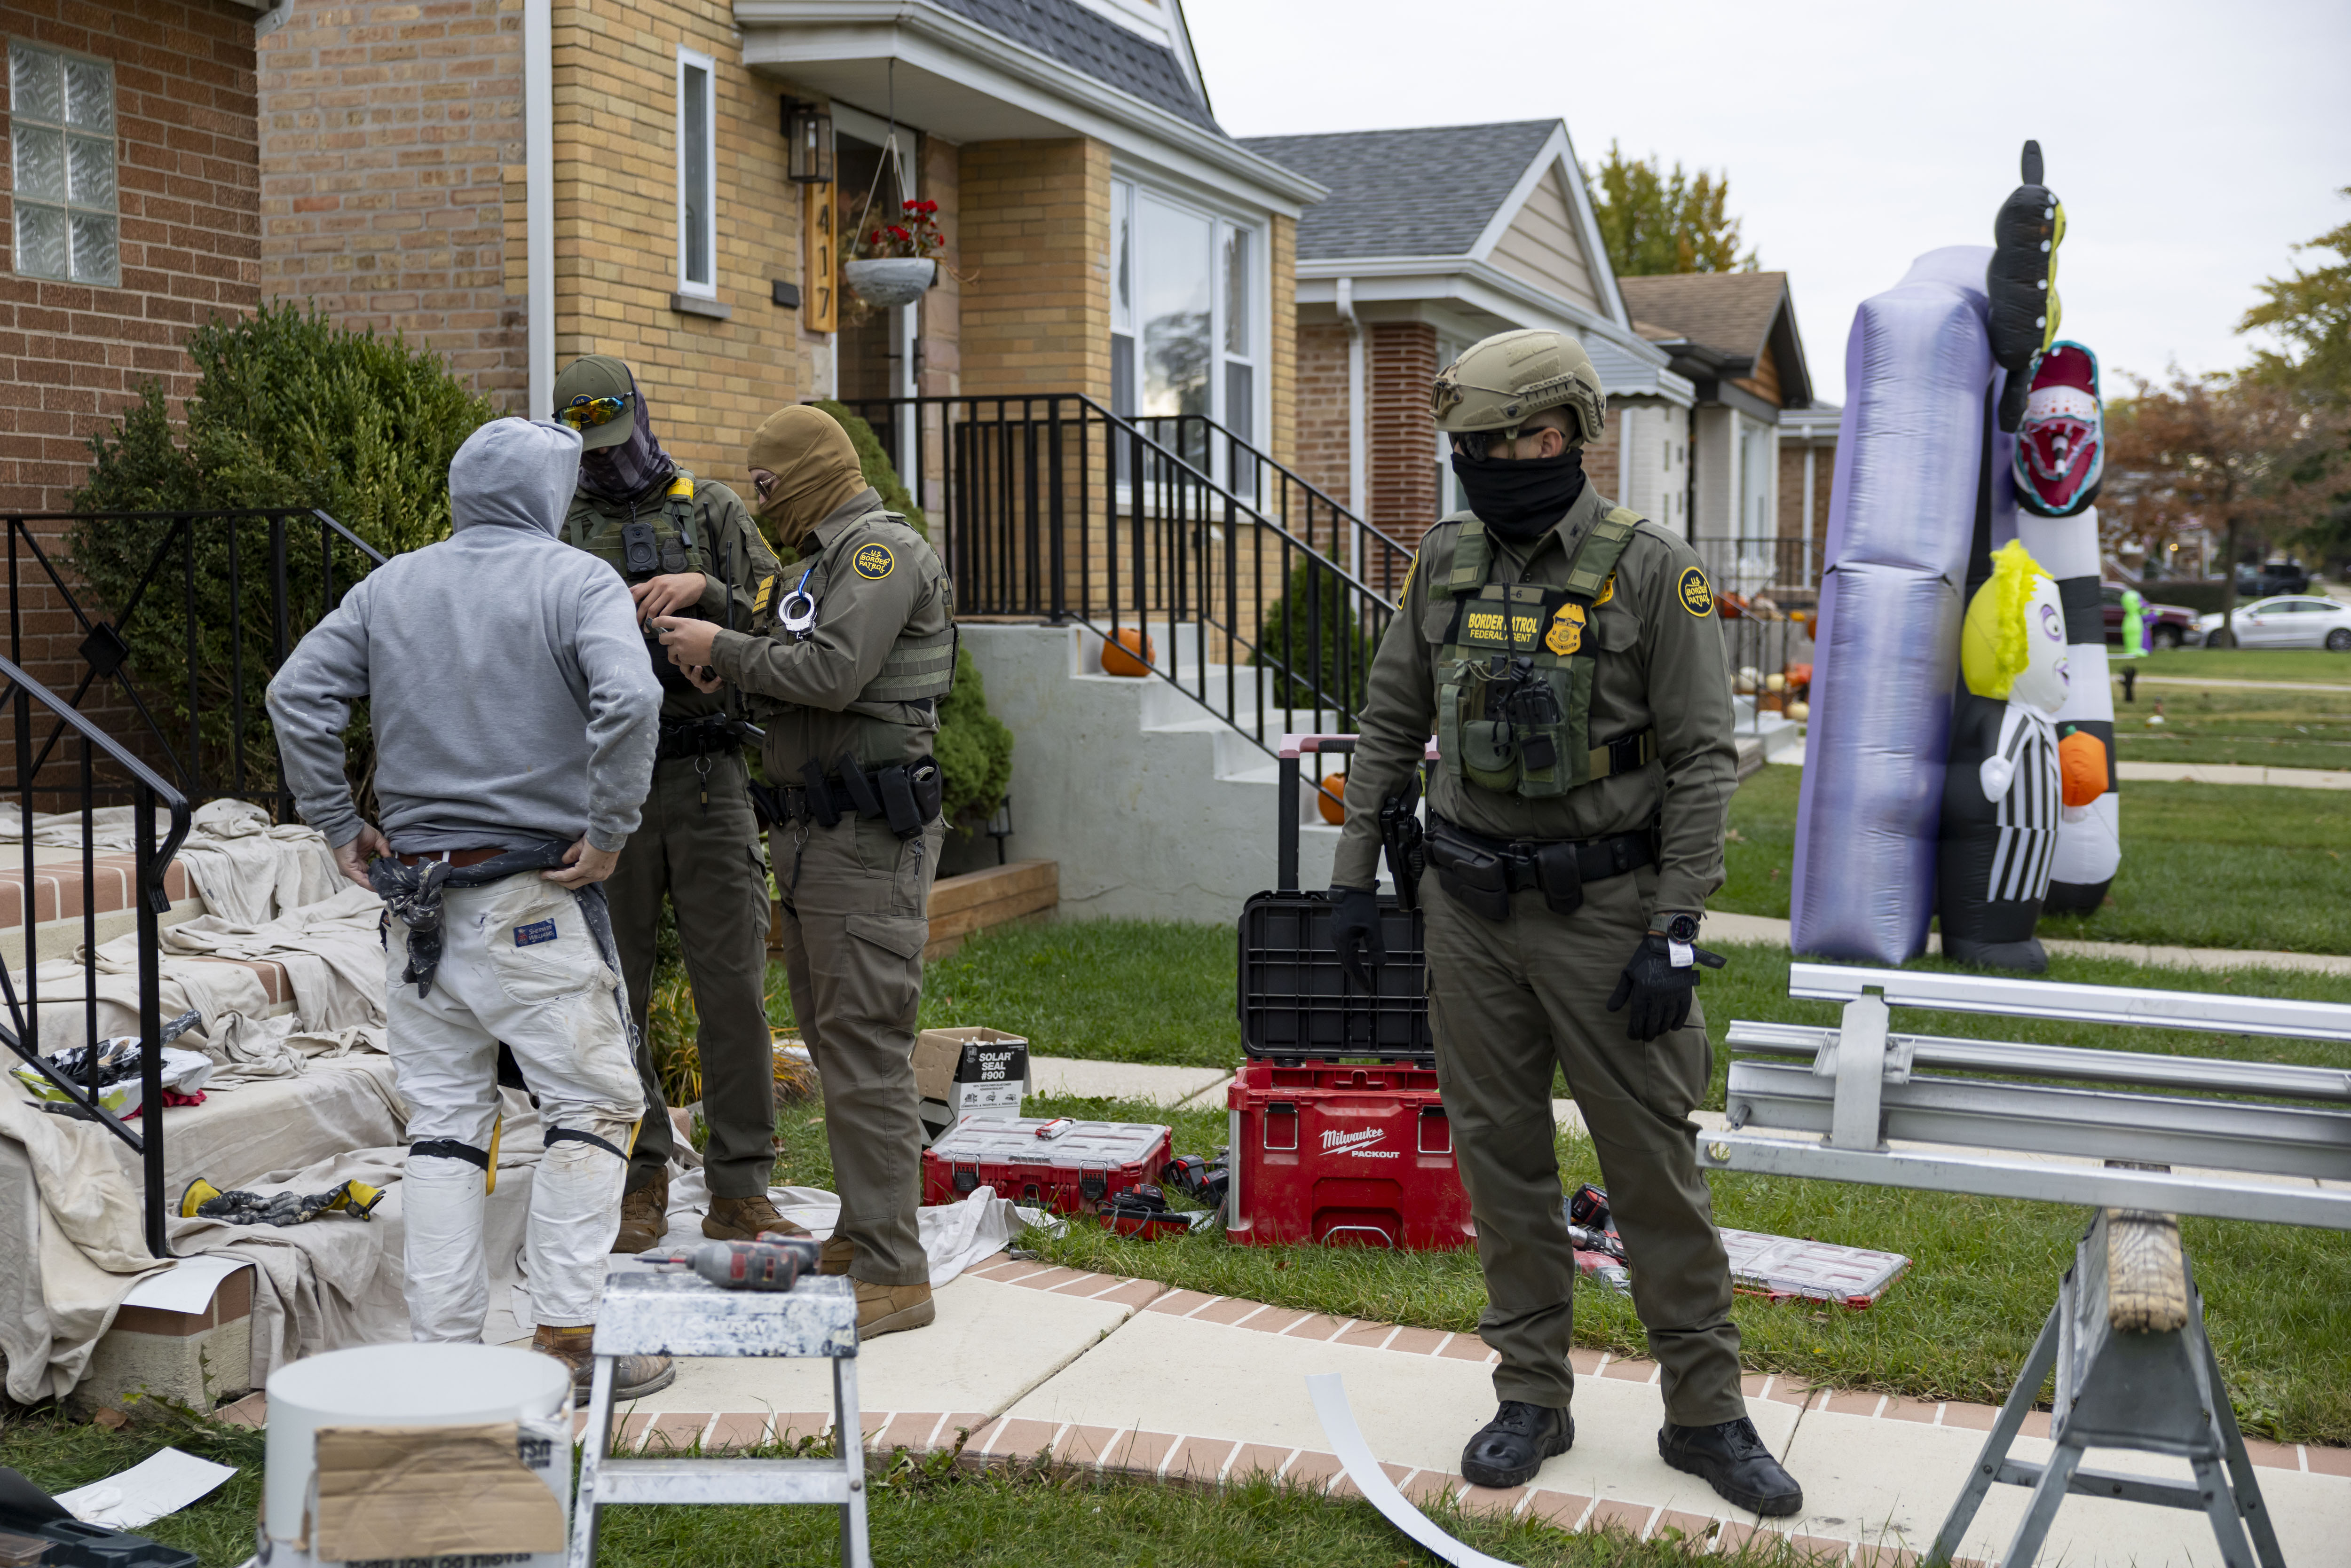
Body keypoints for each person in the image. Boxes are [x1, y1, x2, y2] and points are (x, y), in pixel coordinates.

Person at [1325, 329, 1802, 1514]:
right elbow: (1388, 724)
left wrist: (1676, 928)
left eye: (1499, 443)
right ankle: (1529, 1395)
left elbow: (1703, 760)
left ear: (1560, 436)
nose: (1481, 464)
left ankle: (1705, 1414)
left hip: (1606, 917)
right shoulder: (1441, 562)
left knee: (1649, 1171)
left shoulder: (1650, 568)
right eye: (1464, 448)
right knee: (1502, 1164)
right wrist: (1348, 880)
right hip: (1468, 910)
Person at [267, 417, 674, 1398]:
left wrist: (336, 822)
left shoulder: (392, 585)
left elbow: (294, 694)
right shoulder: (574, 582)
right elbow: (632, 701)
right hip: (534, 893)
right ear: (549, 494)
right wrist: (612, 832)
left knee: (447, 1124)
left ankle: (444, 1356)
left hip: (417, 904)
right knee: (595, 1106)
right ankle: (568, 1345)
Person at [651, 406, 955, 1339]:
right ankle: (865, 1234)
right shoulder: (819, 564)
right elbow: (787, 652)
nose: (763, 502)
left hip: (866, 838)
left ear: (814, 473)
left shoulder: (877, 554)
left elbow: (830, 671)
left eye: (770, 485)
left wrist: (721, 650)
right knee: (836, 1040)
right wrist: (729, 666)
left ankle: (897, 1271)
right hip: (820, 837)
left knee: (863, 1047)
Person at [550, 355, 786, 1251]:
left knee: (733, 987)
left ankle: (740, 1185)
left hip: (708, 774)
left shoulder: (713, 509)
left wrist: (708, 597)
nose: (609, 463)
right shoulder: (557, 528)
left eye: (618, 442)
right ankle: (640, 1173)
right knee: (616, 989)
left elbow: (784, 615)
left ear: (642, 419)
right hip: (609, 783)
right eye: (590, 449)